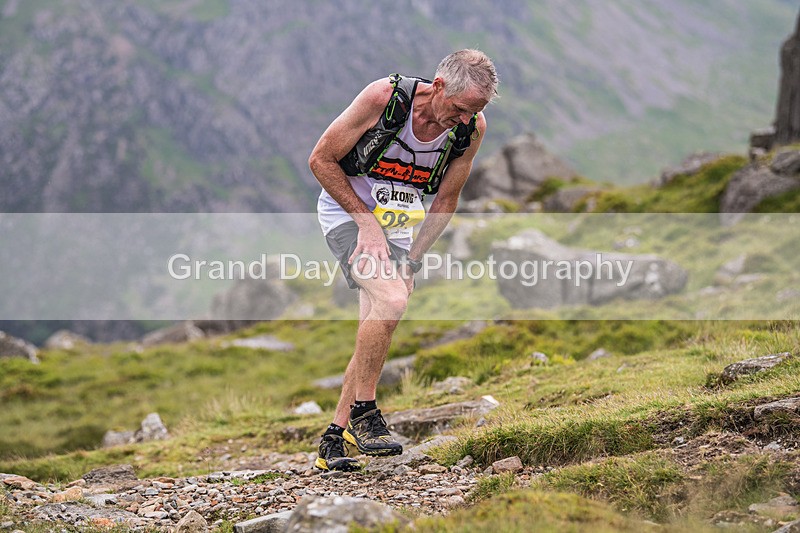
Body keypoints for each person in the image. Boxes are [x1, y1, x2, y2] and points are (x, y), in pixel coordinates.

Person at [308, 49, 498, 471]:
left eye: (477, 111)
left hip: (397, 228)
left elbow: (446, 199)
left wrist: (412, 259)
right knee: (392, 302)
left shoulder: (471, 128)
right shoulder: (383, 98)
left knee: (373, 327)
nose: (466, 120)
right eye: (462, 109)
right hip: (347, 213)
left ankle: (333, 440)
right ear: (439, 86)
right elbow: (320, 160)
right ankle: (366, 413)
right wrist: (366, 224)